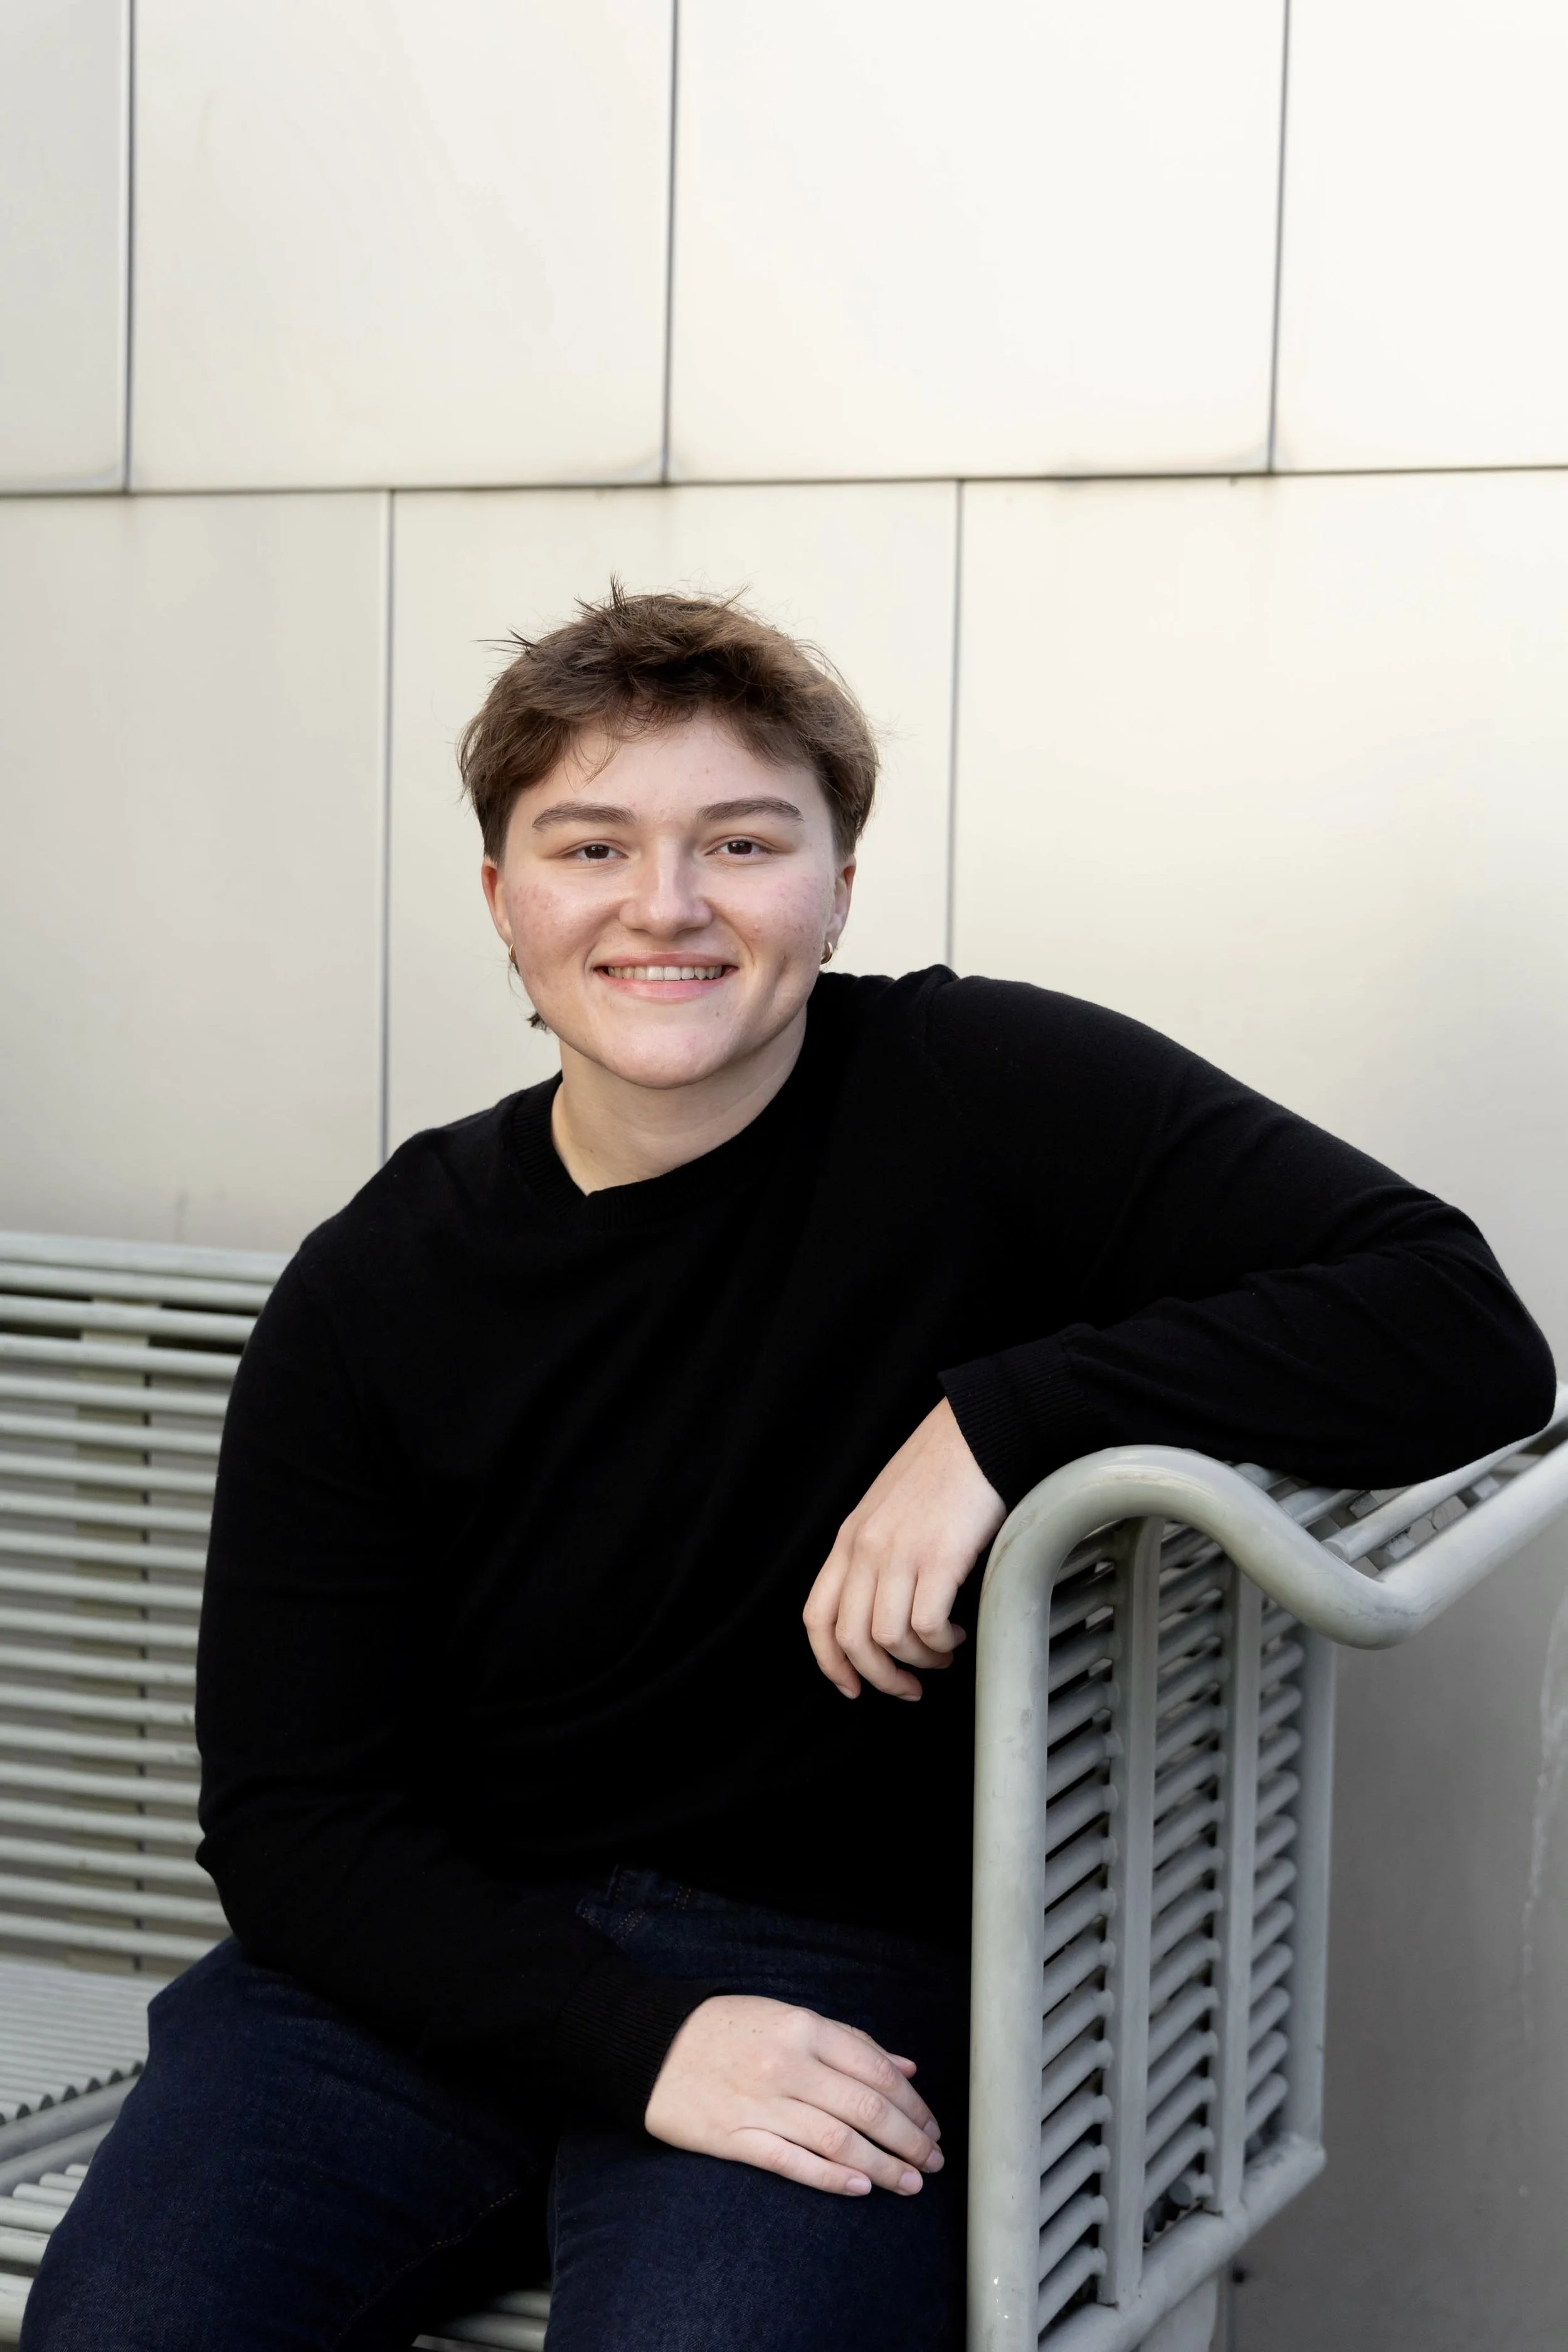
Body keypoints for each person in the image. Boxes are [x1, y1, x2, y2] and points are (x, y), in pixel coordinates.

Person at [24, 588, 1554, 2352]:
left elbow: (1459, 1328)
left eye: (742, 843)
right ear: (503, 900)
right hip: (418, 1968)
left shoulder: (982, 1095)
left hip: (833, 1965)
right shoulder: (379, 1280)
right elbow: (295, 1822)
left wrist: (1006, 1419)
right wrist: (639, 2041)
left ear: (837, 886)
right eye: (590, 845)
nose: (665, 904)